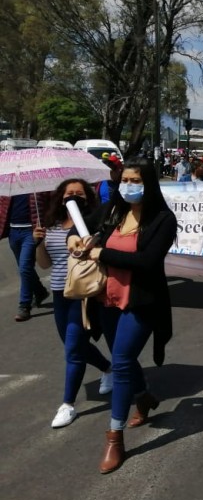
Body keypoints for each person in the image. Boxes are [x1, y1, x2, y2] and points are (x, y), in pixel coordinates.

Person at [68, 157, 177, 474]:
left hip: (141, 303)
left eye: (135, 180)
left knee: (121, 361)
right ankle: (143, 397)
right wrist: (76, 240)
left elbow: (146, 262)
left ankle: (114, 438)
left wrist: (102, 252)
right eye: (124, 180)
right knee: (124, 360)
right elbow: (78, 230)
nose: (128, 186)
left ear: (149, 184)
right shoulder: (111, 212)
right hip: (107, 299)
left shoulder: (162, 220)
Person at [34, 179, 113, 428]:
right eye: (69, 193)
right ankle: (109, 368)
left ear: (88, 198)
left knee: (73, 349)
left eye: (79, 194)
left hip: (85, 294)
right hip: (60, 292)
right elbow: (44, 265)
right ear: (60, 197)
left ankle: (68, 405)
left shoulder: (94, 223)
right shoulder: (51, 224)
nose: (74, 197)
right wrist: (37, 242)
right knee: (73, 345)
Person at [0, 192, 50, 321]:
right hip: (13, 232)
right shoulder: (10, 185)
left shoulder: (36, 183)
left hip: (31, 232)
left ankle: (24, 305)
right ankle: (40, 291)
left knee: (24, 268)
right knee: (24, 269)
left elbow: (48, 204)